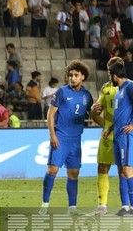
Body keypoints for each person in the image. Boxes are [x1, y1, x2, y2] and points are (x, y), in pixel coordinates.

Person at [90, 57, 133, 216]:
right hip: (110, 134)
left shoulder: (130, 87)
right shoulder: (107, 89)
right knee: (104, 167)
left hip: (125, 134)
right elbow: (99, 112)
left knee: (128, 170)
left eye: (112, 71)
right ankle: (107, 206)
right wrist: (96, 114)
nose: (110, 74)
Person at [39, 61, 93, 215]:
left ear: (82, 77)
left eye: (76, 75)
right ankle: (44, 205)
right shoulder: (62, 92)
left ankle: (72, 208)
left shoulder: (86, 95)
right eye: (70, 75)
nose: (72, 78)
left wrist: (107, 126)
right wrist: (52, 134)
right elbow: (51, 114)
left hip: (76, 140)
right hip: (61, 137)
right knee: (52, 169)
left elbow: (93, 114)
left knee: (74, 173)